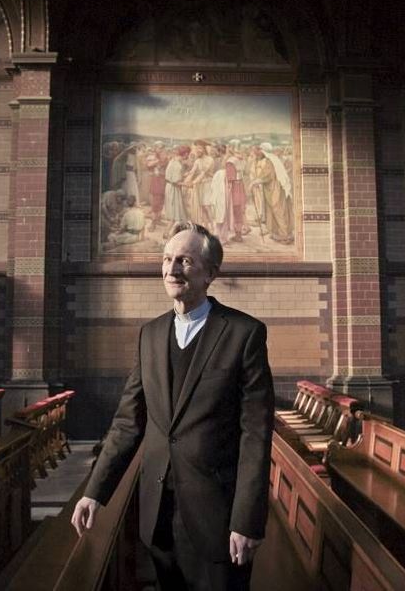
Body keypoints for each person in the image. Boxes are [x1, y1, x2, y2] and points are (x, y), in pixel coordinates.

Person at [72, 222, 274, 591]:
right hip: (157, 513)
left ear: (211, 273)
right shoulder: (150, 335)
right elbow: (127, 423)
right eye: (166, 259)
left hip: (218, 516)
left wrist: (247, 520)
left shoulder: (244, 334)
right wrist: (94, 491)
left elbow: (256, 436)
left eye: (184, 260)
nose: (171, 269)